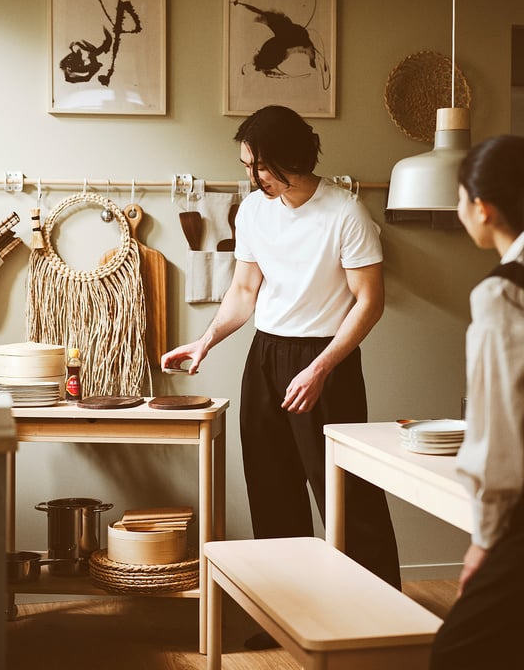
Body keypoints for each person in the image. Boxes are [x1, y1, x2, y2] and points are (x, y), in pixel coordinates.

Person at [162, 106, 401, 633]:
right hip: (266, 356)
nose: (253, 176)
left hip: (326, 360)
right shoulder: (253, 211)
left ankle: (381, 618)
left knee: (348, 494)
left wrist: (320, 369)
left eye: (260, 166)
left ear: (293, 157)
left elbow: (369, 302)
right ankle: (284, 616)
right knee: (271, 490)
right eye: (248, 165)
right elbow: (245, 292)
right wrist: (205, 342)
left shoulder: (346, 213)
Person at [431, 135, 524, 669]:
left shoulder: (502, 294)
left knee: (457, 652)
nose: (460, 212)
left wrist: (483, 542)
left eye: (460, 200)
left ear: (482, 208)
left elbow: (497, 436)